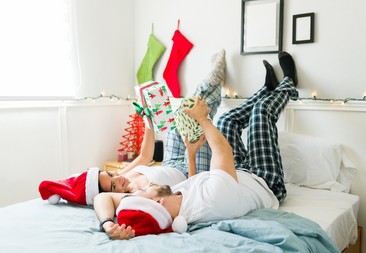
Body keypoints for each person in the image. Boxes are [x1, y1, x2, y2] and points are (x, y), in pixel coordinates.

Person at [94, 51, 299, 240]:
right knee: (261, 113)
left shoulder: (174, 204)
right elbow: (222, 151)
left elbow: (195, 185)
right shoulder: (212, 200)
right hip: (263, 181)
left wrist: (190, 155)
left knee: (227, 121)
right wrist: (203, 119)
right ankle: (289, 83)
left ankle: (267, 89)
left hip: (236, 174)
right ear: (157, 203)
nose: (148, 186)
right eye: (145, 191)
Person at [38, 49, 226, 206]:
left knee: (184, 113)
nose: (118, 179)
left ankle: (213, 82)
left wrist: (148, 120)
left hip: (171, 161)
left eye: (110, 175)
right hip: (189, 170)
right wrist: (191, 155)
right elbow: (190, 191)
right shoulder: (135, 195)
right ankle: (212, 82)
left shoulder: (122, 175)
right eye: (113, 186)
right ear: (112, 194)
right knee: (199, 124)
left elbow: (145, 156)